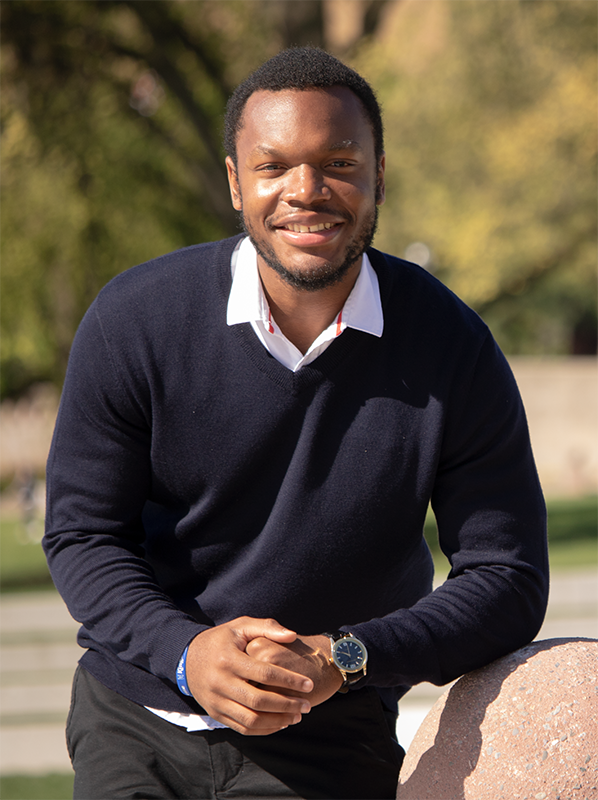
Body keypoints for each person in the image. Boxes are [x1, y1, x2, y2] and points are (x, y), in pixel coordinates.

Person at [43, 47, 548, 800]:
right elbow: (83, 534)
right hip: (135, 718)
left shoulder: (453, 346)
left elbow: (507, 577)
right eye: (273, 166)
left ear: (380, 174)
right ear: (235, 182)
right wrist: (186, 653)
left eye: (339, 164)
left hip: (333, 732)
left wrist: (345, 656)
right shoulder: (134, 321)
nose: (305, 192)